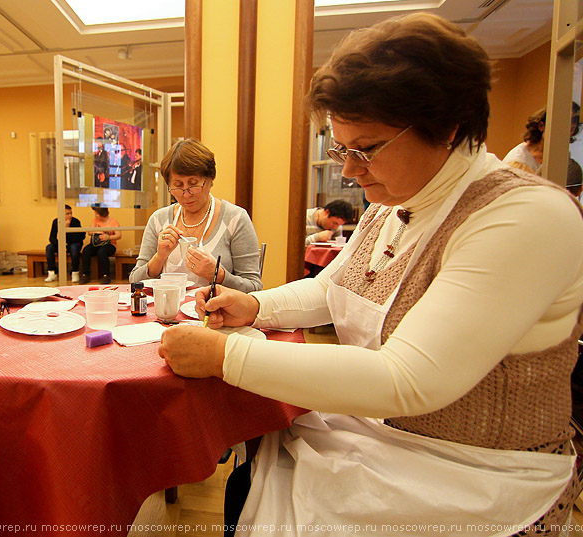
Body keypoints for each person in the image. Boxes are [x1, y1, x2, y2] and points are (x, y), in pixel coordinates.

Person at [158, 13, 583, 536]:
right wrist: (258, 306)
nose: (348, 171)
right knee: (254, 475)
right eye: (341, 147)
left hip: (475, 472)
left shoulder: (525, 217)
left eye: (367, 148)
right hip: (381, 438)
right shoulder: (393, 203)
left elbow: (408, 380)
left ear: (448, 128)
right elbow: (330, 287)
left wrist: (226, 356)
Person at [129, 139, 262, 292]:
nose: (186, 195)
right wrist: (159, 257)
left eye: (193, 184)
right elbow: (134, 281)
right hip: (166, 312)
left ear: (210, 179)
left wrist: (218, 275)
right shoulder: (159, 220)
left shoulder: (235, 218)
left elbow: (254, 287)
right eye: (178, 187)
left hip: (214, 313)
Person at [503, 102, 580, 175]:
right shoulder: (518, 161)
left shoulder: (562, 155)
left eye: (570, 130)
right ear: (541, 126)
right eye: (559, 128)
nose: (563, 135)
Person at [79, 206, 121, 284]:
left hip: (109, 244)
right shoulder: (95, 220)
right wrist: (98, 231)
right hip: (96, 244)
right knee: (86, 251)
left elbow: (119, 235)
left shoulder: (113, 222)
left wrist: (108, 237)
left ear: (102, 214)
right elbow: (89, 232)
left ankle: (106, 275)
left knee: (102, 252)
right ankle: (86, 274)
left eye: (97, 213)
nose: (95, 215)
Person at [44, 204, 85, 282]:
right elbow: (52, 237)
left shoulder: (75, 221)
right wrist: (60, 243)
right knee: (49, 247)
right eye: (67, 214)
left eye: (71, 213)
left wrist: (67, 229)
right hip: (60, 243)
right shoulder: (56, 222)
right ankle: (52, 272)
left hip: (74, 243)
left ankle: (74, 272)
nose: (70, 215)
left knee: (74, 248)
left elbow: (78, 238)